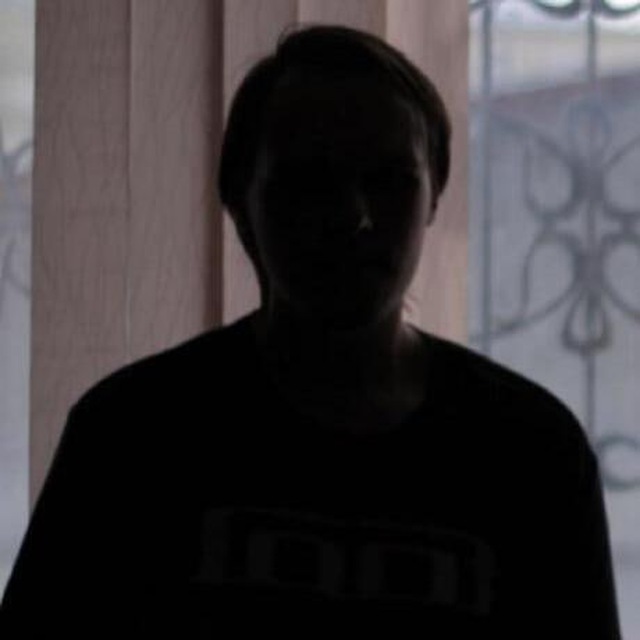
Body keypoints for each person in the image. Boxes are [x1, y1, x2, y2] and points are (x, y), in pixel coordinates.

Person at [0, 24, 622, 638]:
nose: (353, 217)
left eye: (388, 181)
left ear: (434, 197)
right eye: (310, 183)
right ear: (240, 202)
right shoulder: (131, 439)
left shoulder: (533, 456)